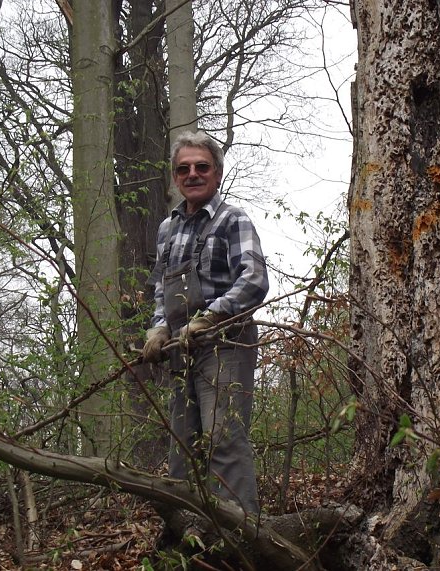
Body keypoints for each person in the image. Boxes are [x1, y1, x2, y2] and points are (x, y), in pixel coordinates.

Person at [142, 130, 269, 515]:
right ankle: (188, 531)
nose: (192, 174)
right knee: (183, 444)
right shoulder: (167, 229)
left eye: (202, 167)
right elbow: (162, 289)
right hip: (181, 349)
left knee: (222, 438)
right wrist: (159, 327)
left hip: (226, 344)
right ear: (175, 177)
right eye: (183, 169)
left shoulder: (233, 220)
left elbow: (254, 279)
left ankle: (240, 533)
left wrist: (211, 317)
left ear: (217, 173)